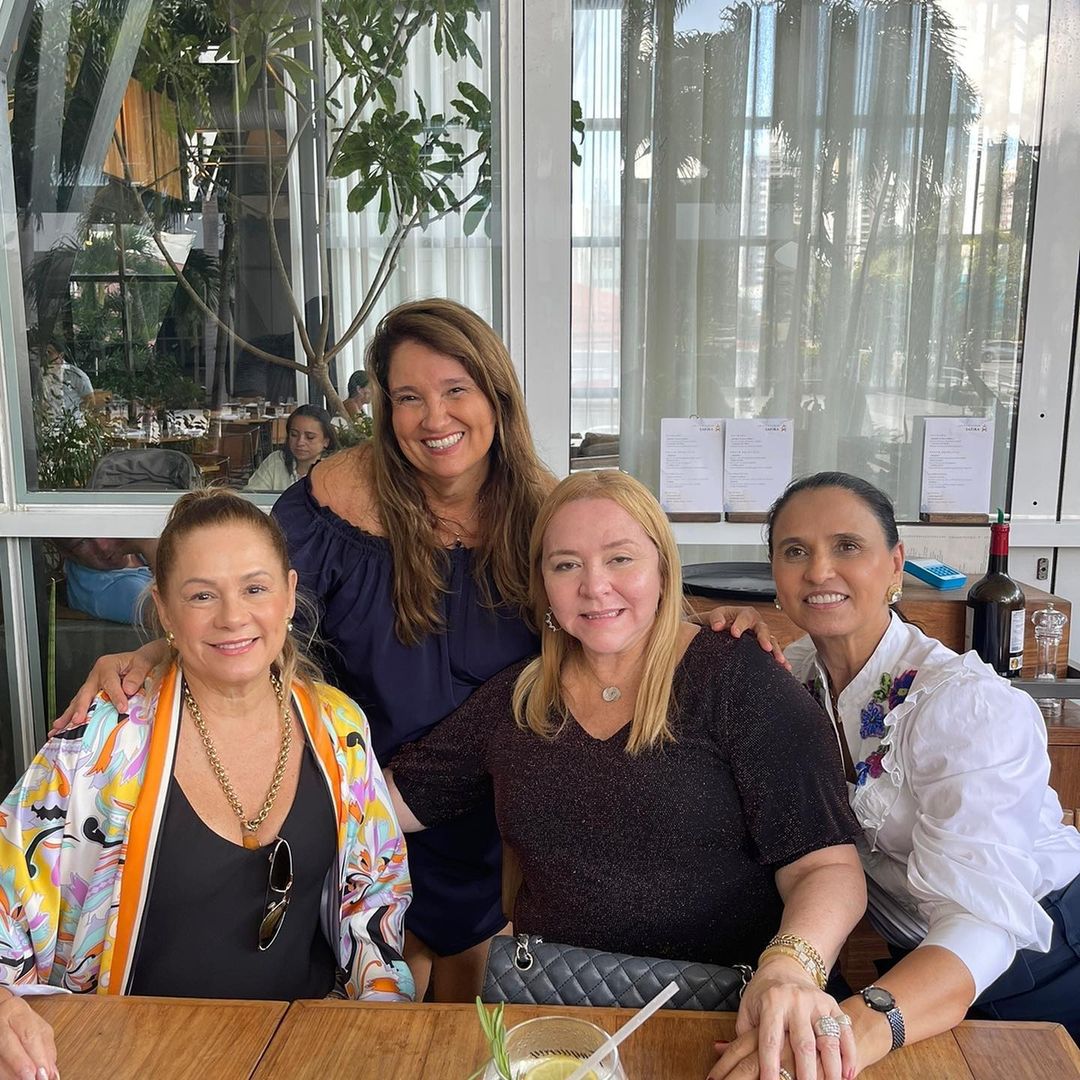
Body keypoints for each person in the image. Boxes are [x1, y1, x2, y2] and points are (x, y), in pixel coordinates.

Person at [54, 299, 781, 1002]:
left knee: (469, 1032)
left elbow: (614, 604)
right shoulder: (332, 507)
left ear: (496, 394)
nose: (435, 418)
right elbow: (248, 605)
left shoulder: (549, 516)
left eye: (456, 389)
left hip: (494, 833)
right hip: (353, 806)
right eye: (408, 397)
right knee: (364, 1013)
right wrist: (160, 652)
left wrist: (713, 623)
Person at [387, 471, 867, 1080]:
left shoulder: (738, 680)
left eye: (620, 558)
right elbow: (383, 803)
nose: (594, 586)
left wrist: (791, 968)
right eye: (566, 565)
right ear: (543, 583)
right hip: (559, 1021)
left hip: (728, 1023)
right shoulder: (517, 701)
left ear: (663, 568)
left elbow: (827, 866)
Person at [0, 490, 412, 1080]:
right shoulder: (100, 742)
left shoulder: (338, 727)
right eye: (201, 595)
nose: (232, 617)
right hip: (134, 1059)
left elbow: (376, 900)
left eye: (255, 588)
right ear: (164, 611)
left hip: (307, 1051)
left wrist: (371, 1025)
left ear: (290, 593)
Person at [714, 472, 1080, 1080]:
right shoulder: (791, 679)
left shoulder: (964, 704)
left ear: (894, 565)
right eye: (795, 551)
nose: (819, 570)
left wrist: (855, 1027)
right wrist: (718, 643)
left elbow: (984, 922)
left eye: (847, 546)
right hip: (918, 968)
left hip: (1042, 957)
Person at [55, 536, 157, 624]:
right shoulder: (109, 591)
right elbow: (166, 614)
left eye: (103, 527)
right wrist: (147, 545)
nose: (103, 547)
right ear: (65, 552)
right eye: (82, 542)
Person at [245, 404, 336, 492]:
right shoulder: (276, 461)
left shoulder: (334, 469)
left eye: (310, 437)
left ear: (326, 441)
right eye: (294, 435)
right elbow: (251, 496)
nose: (300, 442)